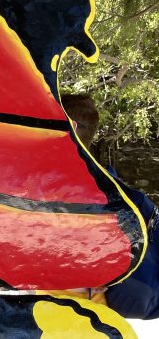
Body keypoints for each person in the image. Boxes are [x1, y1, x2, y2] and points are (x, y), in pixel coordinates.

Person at [62, 93, 159, 319]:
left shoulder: (84, 193)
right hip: (95, 322)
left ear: (69, 126)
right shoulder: (111, 190)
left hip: (72, 320)